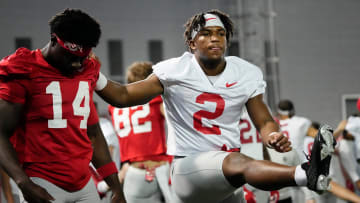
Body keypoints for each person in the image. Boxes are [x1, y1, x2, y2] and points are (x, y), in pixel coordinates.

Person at [95, 9, 335, 203]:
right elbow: (124, 95)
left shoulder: (244, 72)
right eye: (206, 33)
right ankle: (305, 173)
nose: (215, 38)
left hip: (227, 177)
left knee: (235, 162)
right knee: (238, 161)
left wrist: (271, 134)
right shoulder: (175, 70)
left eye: (220, 33)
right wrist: (94, 76)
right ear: (191, 43)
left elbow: (263, 119)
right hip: (190, 168)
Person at [0, 9, 125, 203]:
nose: (76, 64)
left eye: (82, 58)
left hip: (84, 184)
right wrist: (23, 182)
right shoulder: (25, 69)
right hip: (42, 182)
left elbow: (92, 134)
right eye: (70, 56)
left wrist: (115, 186)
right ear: (53, 39)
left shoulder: (87, 71)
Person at [108, 61, 173, 203]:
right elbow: (176, 122)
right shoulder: (154, 99)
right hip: (161, 167)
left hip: (135, 171)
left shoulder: (114, 107)